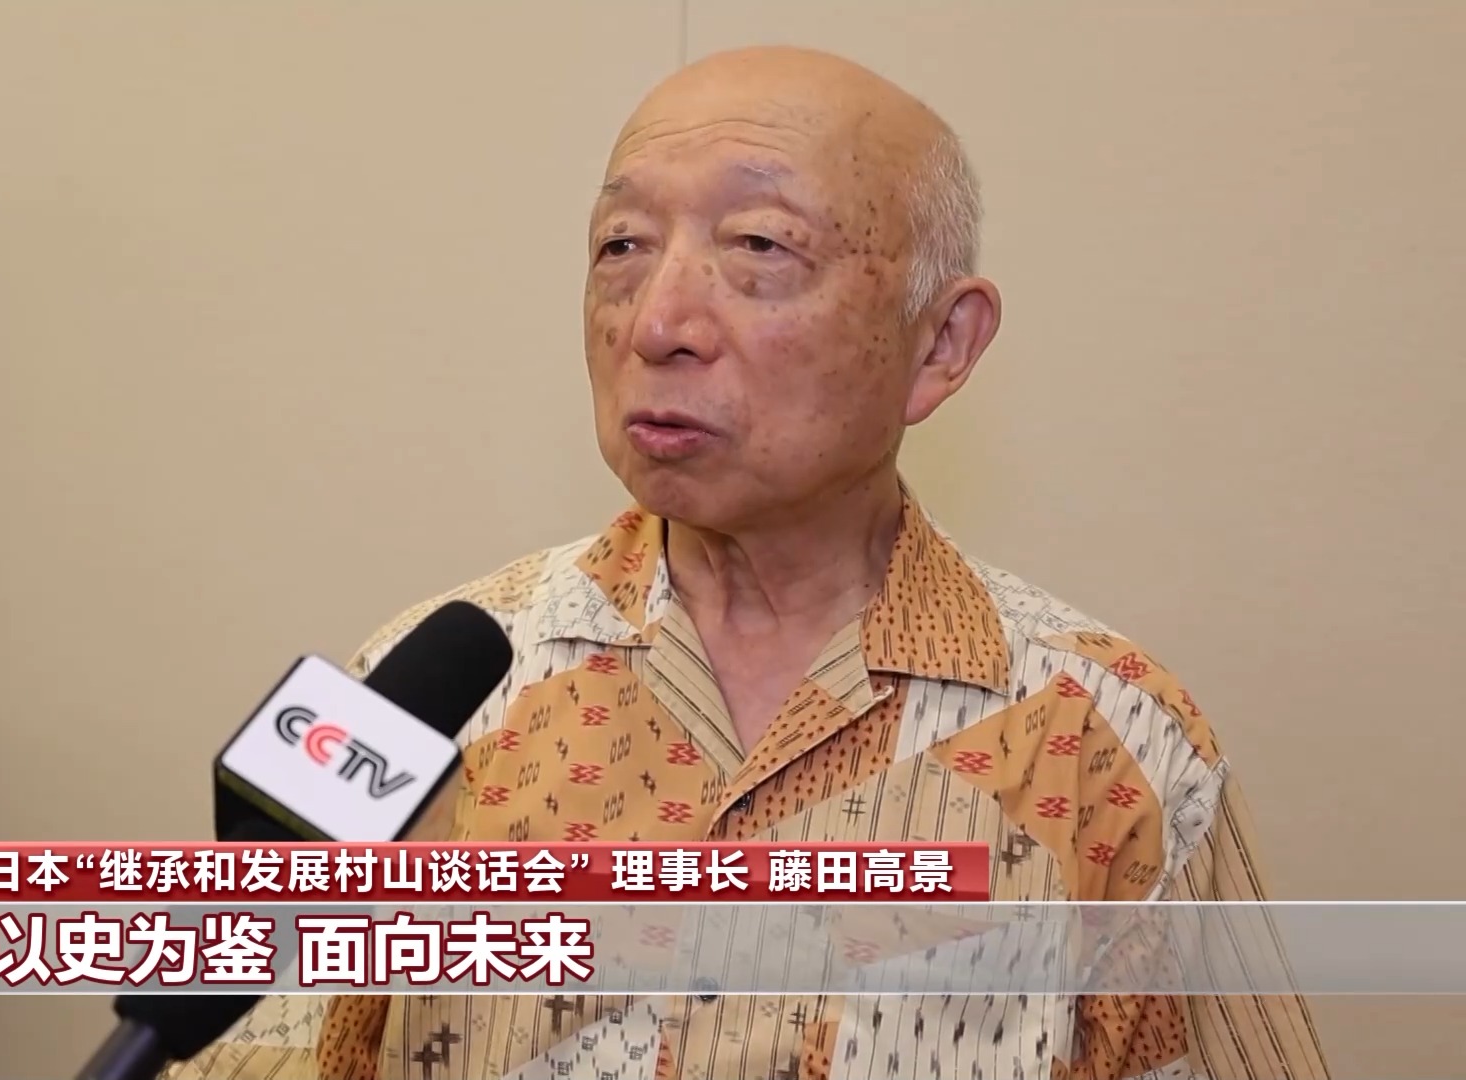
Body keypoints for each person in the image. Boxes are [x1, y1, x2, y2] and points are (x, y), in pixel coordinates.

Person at [176, 45, 1330, 1080]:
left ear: (941, 343)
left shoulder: (1109, 741)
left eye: (760, 248)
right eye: (622, 247)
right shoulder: (421, 694)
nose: (657, 322)